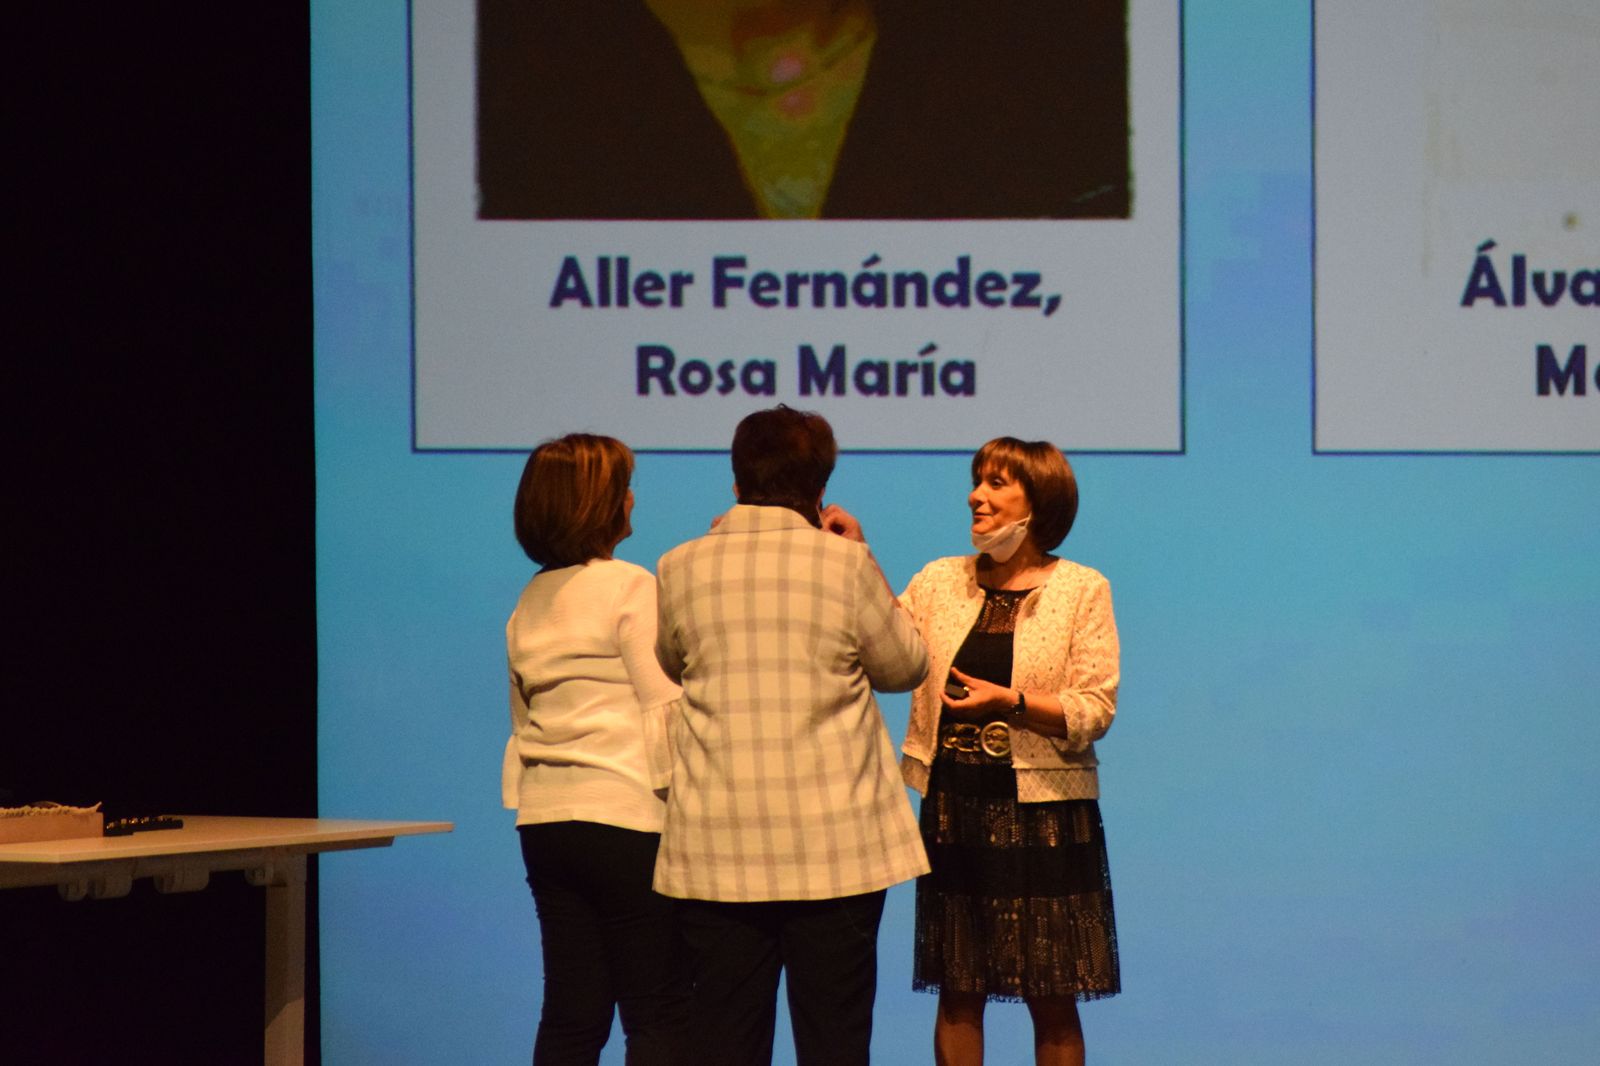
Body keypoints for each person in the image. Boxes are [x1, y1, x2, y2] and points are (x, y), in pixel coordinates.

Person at [651, 405, 929, 1066]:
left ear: (736, 481)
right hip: (836, 851)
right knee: (835, 1043)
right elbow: (905, 667)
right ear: (819, 489)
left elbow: (670, 662)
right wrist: (861, 552)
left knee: (725, 1044)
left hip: (717, 850)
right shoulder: (845, 565)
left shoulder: (679, 565)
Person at [898, 437, 1121, 1066]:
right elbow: (884, 644)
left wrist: (1011, 704)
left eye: (996, 483)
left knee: (1051, 992)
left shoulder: (1081, 588)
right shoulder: (939, 579)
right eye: (977, 481)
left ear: (1038, 502)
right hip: (955, 805)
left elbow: (1094, 708)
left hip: (1045, 813)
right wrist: (855, 555)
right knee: (958, 988)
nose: (977, 496)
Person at [501, 433, 687, 1066]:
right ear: (596, 505)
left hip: (546, 824)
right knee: (656, 1013)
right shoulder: (629, 586)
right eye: (622, 488)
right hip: (628, 822)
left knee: (571, 1015)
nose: (632, 499)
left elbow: (522, 718)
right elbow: (665, 707)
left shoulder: (529, 599)